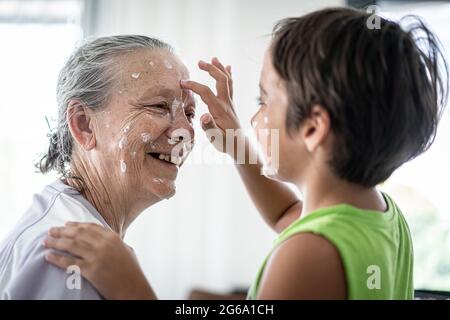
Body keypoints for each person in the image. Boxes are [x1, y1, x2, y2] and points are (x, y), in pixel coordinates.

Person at [43, 8, 448, 299]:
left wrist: (129, 285)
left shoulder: (307, 255)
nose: (253, 118)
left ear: (313, 128)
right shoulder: (381, 217)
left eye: (263, 99)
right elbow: (285, 216)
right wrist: (236, 141)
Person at [0, 35, 196, 299]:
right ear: (84, 124)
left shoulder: (90, 246)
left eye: (190, 113)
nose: (186, 131)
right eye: (159, 106)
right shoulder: (69, 257)